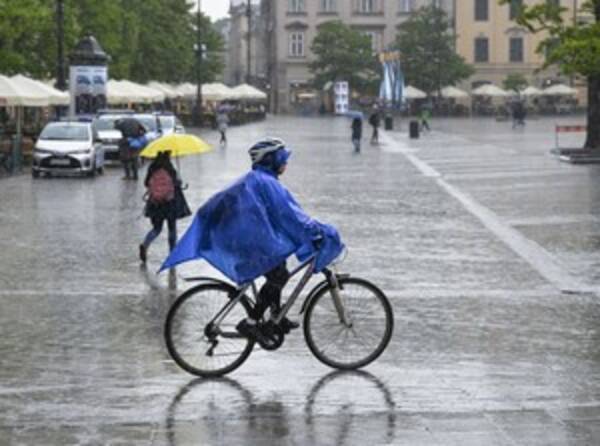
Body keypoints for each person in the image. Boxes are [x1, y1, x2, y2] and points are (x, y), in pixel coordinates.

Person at [160, 137, 344, 342]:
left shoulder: (260, 179)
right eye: (282, 158)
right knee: (278, 275)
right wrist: (318, 229)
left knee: (279, 266)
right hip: (248, 240)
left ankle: (275, 316)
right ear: (271, 160)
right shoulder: (266, 182)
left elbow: (284, 214)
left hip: (247, 237)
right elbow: (289, 216)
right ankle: (251, 323)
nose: (286, 163)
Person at [139, 151, 191, 263]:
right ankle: (172, 254)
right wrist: (179, 181)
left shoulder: (152, 167)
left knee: (157, 228)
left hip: (155, 204)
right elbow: (176, 184)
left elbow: (146, 183)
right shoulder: (169, 167)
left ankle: (145, 244)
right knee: (172, 228)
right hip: (170, 203)